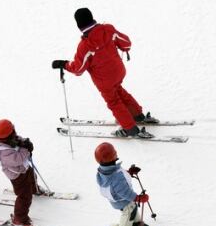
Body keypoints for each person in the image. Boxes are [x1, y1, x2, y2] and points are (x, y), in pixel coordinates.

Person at [52, 8, 157, 138]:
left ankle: (130, 129)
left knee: (114, 101)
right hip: (119, 71)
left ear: (79, 25)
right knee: (118, 90)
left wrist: (64, 64)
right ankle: (137, 115)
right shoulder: (108, 29)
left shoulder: (85, 46)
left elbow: (78, 69)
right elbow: (126, 44)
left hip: (104, 81)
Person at [0, 119, 46, 226]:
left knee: (32, 177)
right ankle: (19, 218)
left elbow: (17, 139)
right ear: (8, 136)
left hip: (24, 168)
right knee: (24, 195)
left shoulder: (9, 139)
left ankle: (35, 189)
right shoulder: (3, 153)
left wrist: (24, 142)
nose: (15, 134)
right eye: (13, 132)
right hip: (17, 175)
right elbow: (18, 159)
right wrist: (26, 149)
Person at [95, 142, 150, 226]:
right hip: (122, 200)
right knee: (129, 211)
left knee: (132, 209)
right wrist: (138, 198)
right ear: (113, 156)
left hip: (115, 198)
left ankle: (135, 223)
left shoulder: (105, 171)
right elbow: (124, 192)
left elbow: (118, 176)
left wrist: (128, 173)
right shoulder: (116, 178)